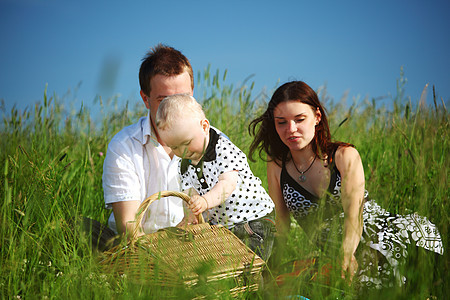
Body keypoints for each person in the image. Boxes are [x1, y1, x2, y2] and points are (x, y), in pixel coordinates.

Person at [248, 81, 443, 288]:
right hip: (332, 254)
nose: (291, 129)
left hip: (379, 238)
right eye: (282, 122)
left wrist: (346, 253)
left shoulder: (344, 156)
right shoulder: (277, 165)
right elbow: (282, 226)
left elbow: (354, 215)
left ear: (317, 117)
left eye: (300, 119)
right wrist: (270, 266)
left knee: (371, 281)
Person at [155, 93, 276, 261]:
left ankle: (257, 284)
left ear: (204, 127)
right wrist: (191, 214)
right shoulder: (183, 164)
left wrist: (205, 201)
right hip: (224, 226)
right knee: (224, 265)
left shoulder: (222, 149)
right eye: (174, 147)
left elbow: (227, 184)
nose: (183, 151)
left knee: (248, 265)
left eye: (187, 142)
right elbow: (190, 193)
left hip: (253, 220)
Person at [102, 44, 194, 238]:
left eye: (183, 98)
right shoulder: (124, 146)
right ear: (145, 99)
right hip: (138, 250)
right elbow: (129, 225)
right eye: (164, 100)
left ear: (192, 94)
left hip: (192, 246)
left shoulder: (212, 141)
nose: (175, 110)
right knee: (78, 228)